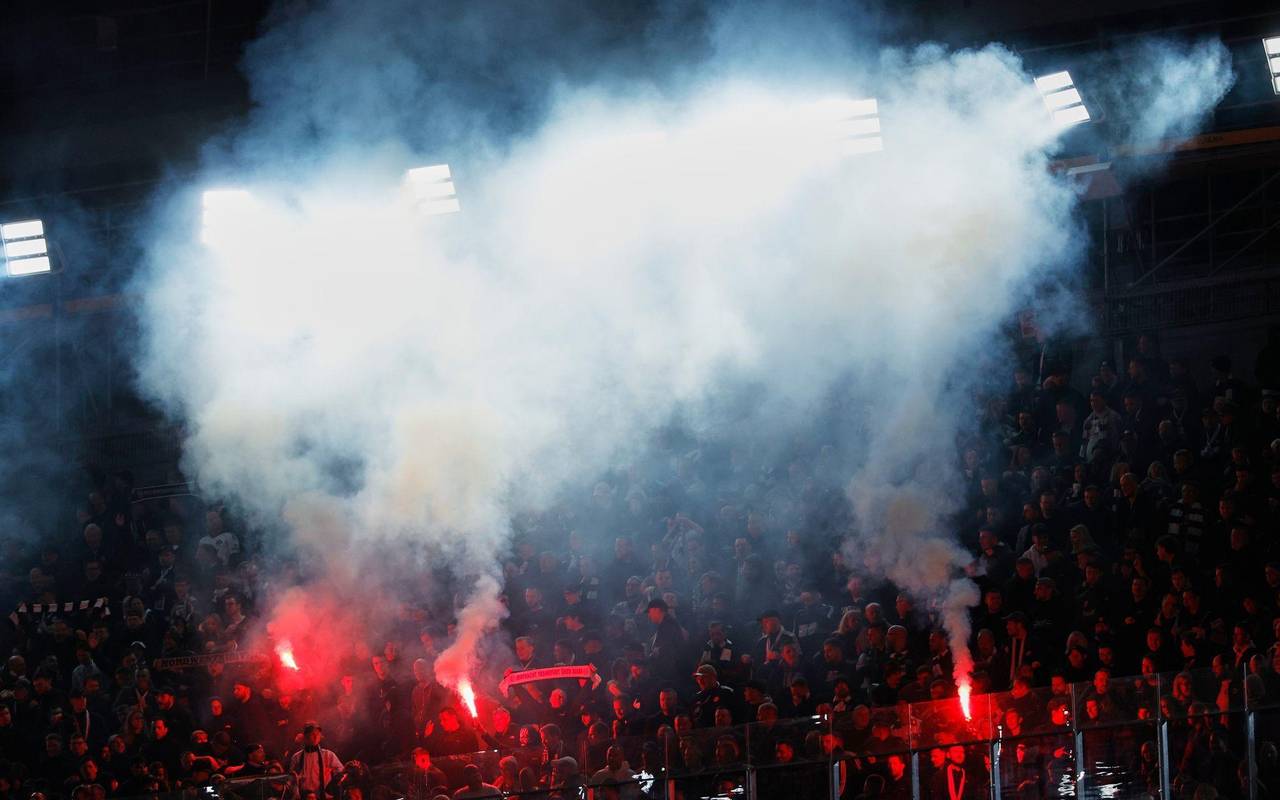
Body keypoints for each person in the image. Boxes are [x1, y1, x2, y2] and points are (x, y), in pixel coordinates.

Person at [289, 722, 344, 798]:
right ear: (305, 736)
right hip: (304, 797)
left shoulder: (328, 755)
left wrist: (332, 785)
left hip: (325, 797)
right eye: (312, 734)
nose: (315, 736)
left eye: (318, 734)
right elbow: (292, 779)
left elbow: (341, 772)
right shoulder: (296, 757)